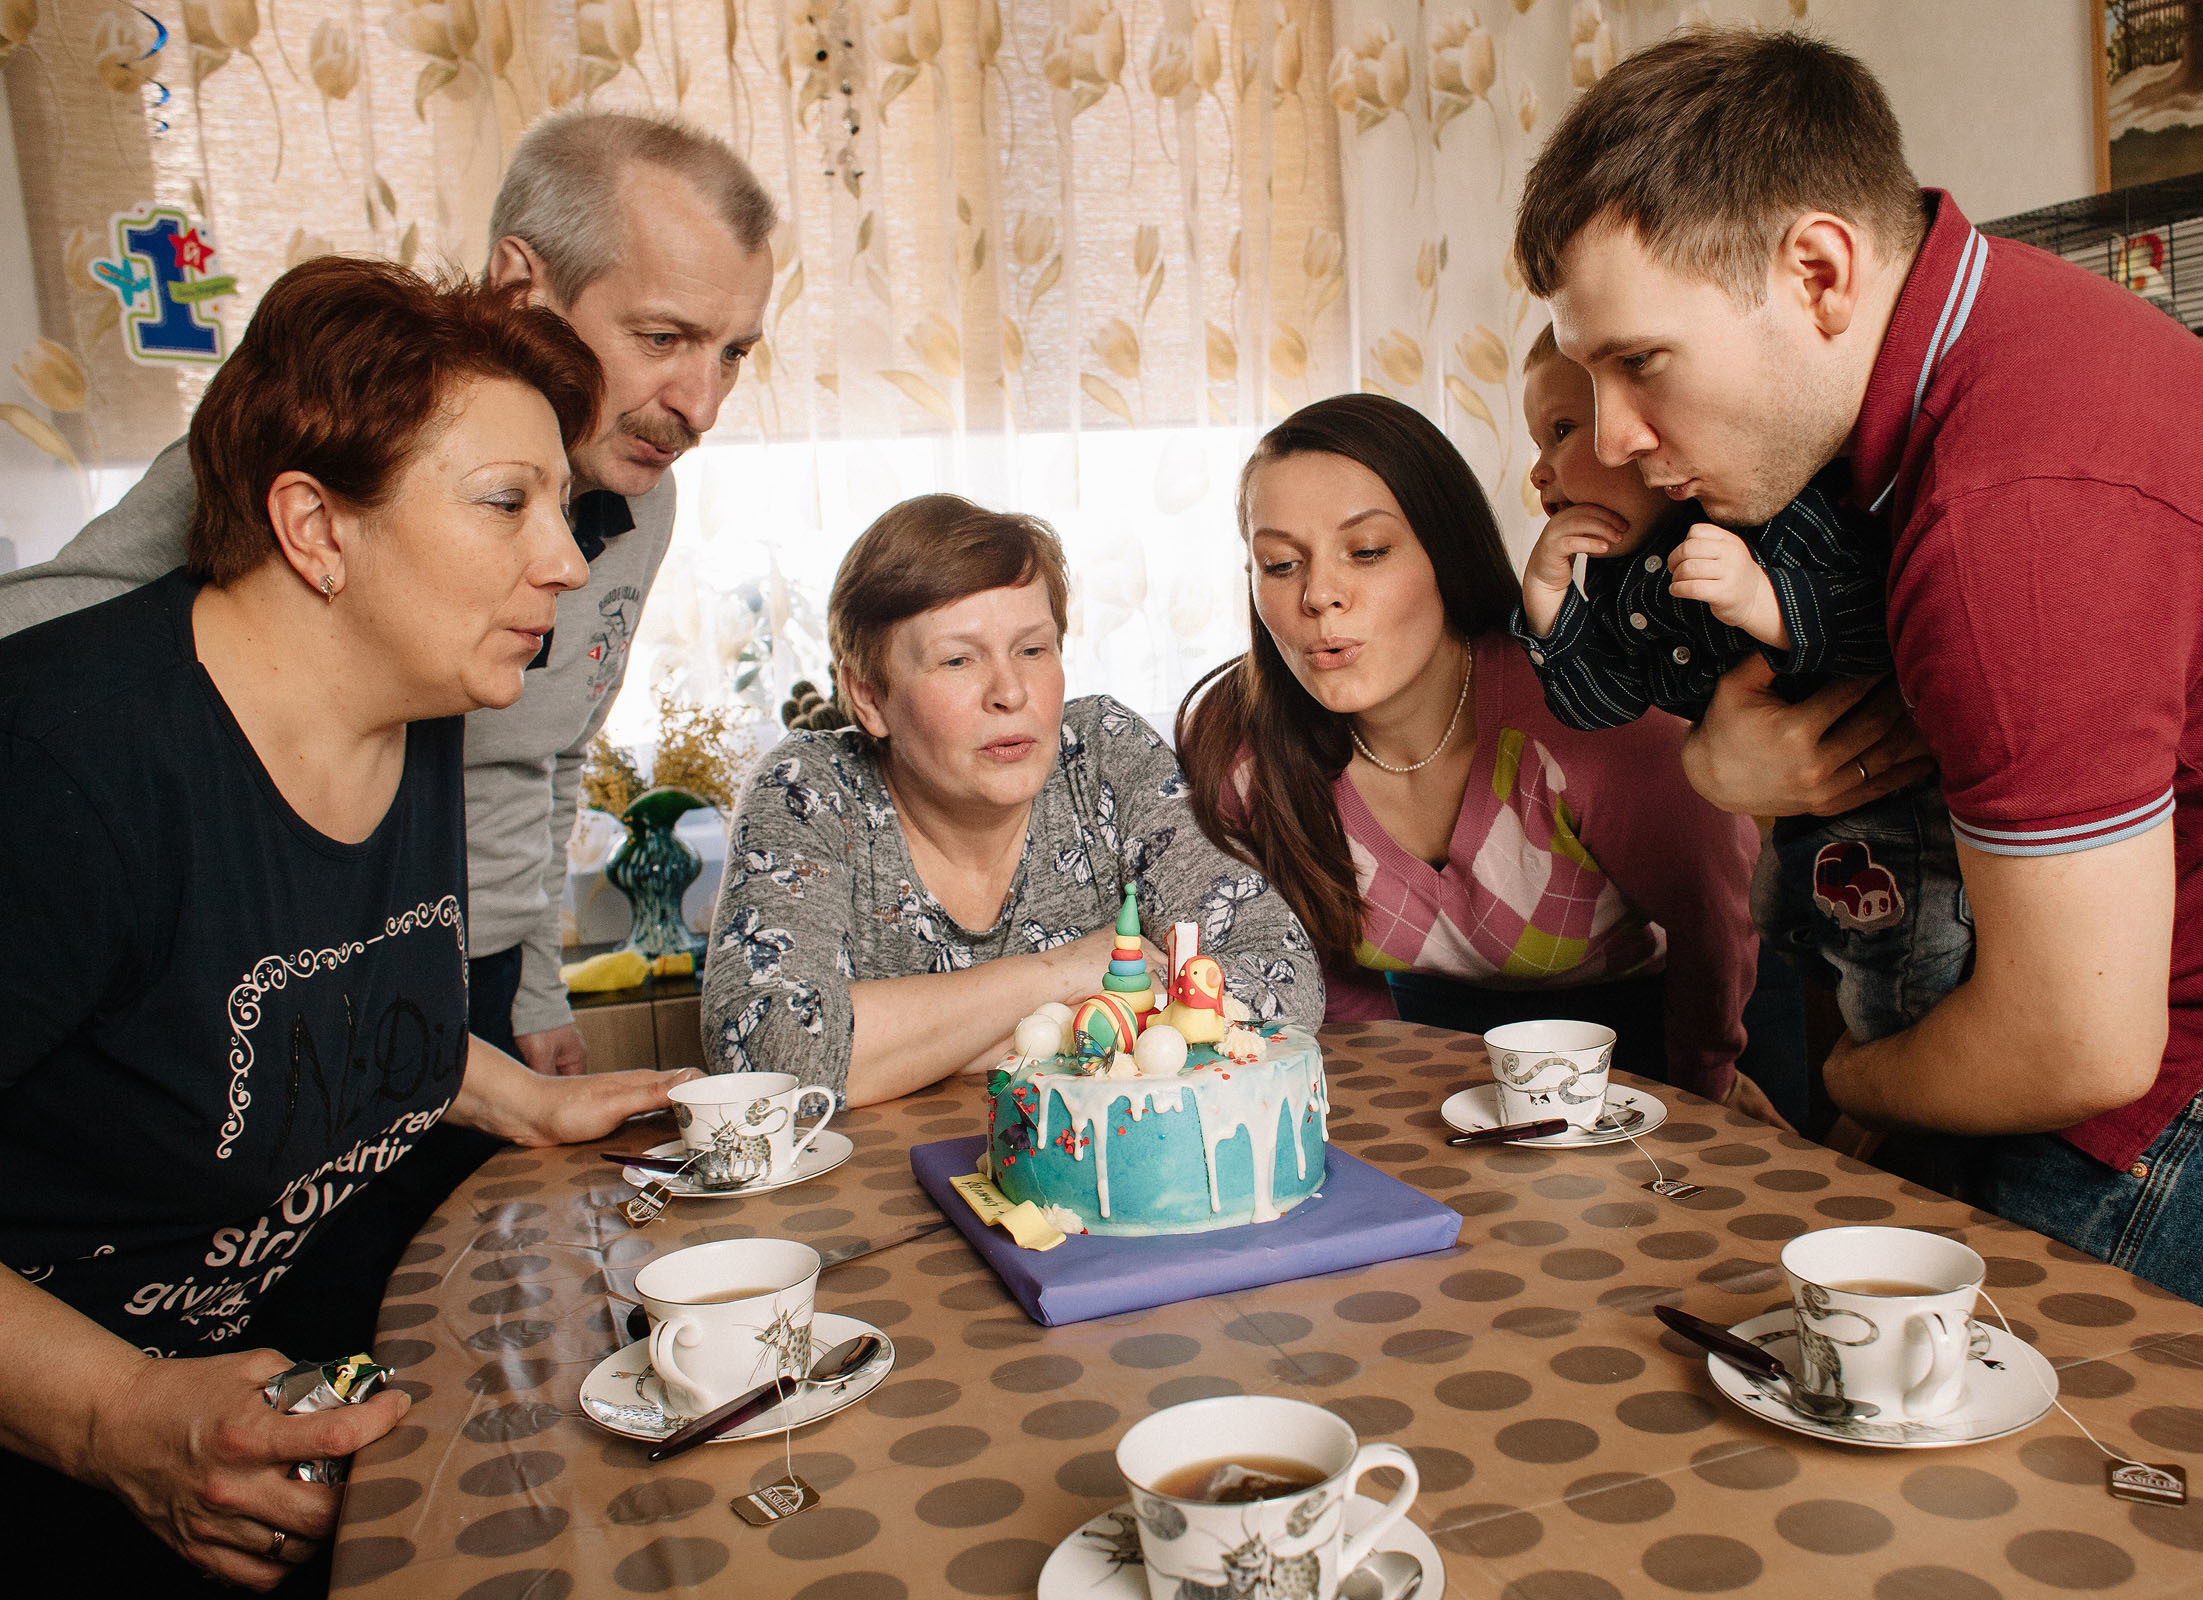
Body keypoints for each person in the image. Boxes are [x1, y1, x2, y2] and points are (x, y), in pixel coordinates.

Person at [1514, 28, 2203, 1353]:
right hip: (2200, 1004)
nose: (1618, 434)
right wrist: (1721, 767)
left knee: (2000, 1521)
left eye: (1640, 362)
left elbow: (2074, 1045)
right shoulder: (1986, 329)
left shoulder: (2013, 521)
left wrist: (1854, 1084)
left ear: (1818, 270)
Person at [0, 258, 693, 1594]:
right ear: (317, 527)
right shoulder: (64, 768)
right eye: (507, 504)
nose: (563, 558)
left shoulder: (419, 700)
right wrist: (113, 1422)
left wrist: (516, 1100)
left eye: (560, 503)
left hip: (295, 1411)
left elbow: (306, 993)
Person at [0, 108, 776, 1079]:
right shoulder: (343, 437)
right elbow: (44, 649)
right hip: (286, 966)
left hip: (471, 973)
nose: (703, 405)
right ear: (520, 286)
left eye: (736, 352)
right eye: (664, 336)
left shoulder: (639, 504)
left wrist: (530, 989)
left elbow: (554, 755)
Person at [1177, 394, 1770, 1113]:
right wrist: (1388, 1095)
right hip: (1413, 1040)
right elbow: (1316, 978)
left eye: (1366, 551)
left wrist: (1703, 1092)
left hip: (1667, 1027)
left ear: (1444, 551)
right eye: (1278, 563)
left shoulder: (1585, 717)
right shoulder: (1237, 752)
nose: (1319, 596)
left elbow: (1713, 927)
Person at [702, 495, 1323, 1107]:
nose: (1009, 692)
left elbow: (1280, 980)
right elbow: (767, 1059)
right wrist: (1074, 972)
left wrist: (913, 1047)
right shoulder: (809, 791)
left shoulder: (1103, 754)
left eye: (1032, 649)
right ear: (868, 697)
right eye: (957, 660)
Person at [1513, 323, 1971, 1048]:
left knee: (1897, 981)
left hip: (1898, 803)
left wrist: (1765, 601)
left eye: (1563, 431)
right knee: (1781, 920)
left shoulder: (1764, 518)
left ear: (1642, 435)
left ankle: (1910, 1091)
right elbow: (1604, 706)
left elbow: (1896, 624)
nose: (1539, 471)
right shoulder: (1614, 572)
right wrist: (1548, 599)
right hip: (1793, 824)